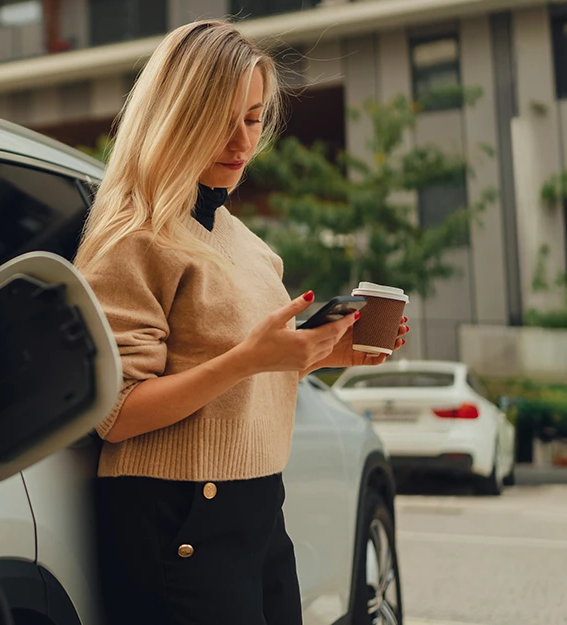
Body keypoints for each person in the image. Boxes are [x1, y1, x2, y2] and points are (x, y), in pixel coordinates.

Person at [74, 19, 410, 625]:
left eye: (253, 119)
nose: (240, 140)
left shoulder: (250, 246)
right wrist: (251, 358)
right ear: (174, 115)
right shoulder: (133, 236)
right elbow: (117, 415)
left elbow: (245, 373)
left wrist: (327, 353)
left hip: (258, 505)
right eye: (219, 120)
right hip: (177, 514)